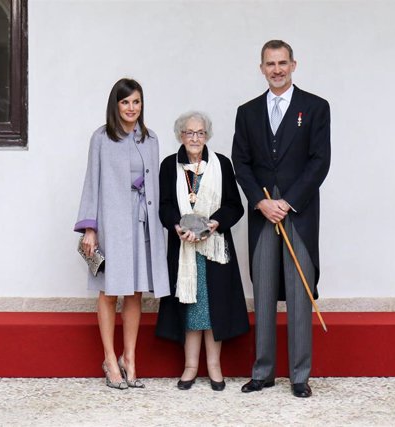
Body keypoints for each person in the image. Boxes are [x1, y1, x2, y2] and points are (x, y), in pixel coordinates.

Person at [231, 40, 331, 398]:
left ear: (294, 65)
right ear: (261, 68)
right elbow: (239, 162)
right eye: (270, 64)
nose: (277, 69)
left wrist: (287, 202)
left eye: (282, 63)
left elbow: (320, 162)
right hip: (262, 217)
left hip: (297, 214)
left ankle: (300, 375)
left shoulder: (316, 108)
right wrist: (259, 201)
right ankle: (263, 371)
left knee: (300, 293)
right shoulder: (247, 112)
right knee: (264, 290)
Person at [75, 78, 170, 390]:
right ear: (116, 106)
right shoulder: (101, 138)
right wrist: (91, 229)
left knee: (135, 292)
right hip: (112, 222)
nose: (132, 108)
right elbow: (92, 181)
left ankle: (130, 357)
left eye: (137, 102)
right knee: (109, 291)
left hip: (143, 222)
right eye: (126, 102)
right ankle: (110, 359)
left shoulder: (151, 139)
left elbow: (155, 184)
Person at [156, 111, 249, 391]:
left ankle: (214, 367)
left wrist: (215, 222)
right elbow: (164, 206)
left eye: (199, 133)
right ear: (180, 136)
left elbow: (235, 205)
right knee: (190, 307)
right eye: (188, 133)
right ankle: (190, 367)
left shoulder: (221, 164)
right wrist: (176, 226)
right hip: (183, 248)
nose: (194, 138)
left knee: (213, 308)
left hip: (215, 248)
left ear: (207, 135)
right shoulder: (168, 166)